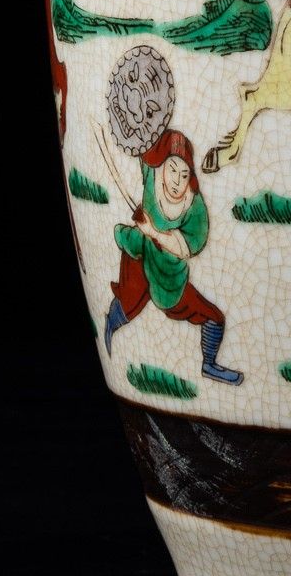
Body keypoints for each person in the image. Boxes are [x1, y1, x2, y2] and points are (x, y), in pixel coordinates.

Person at [103, 131, 243, 385]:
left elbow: (187, 247)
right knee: (128, 301)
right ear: (162, 167)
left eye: (184, 174)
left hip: (170, 279)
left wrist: (153, 231)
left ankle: (209, 365)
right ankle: (110, 329)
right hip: (139, 254)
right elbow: (141, 138)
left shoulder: (194, 207)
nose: (177, 181)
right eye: (172, 170)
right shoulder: (152, 175)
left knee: (214, 318)